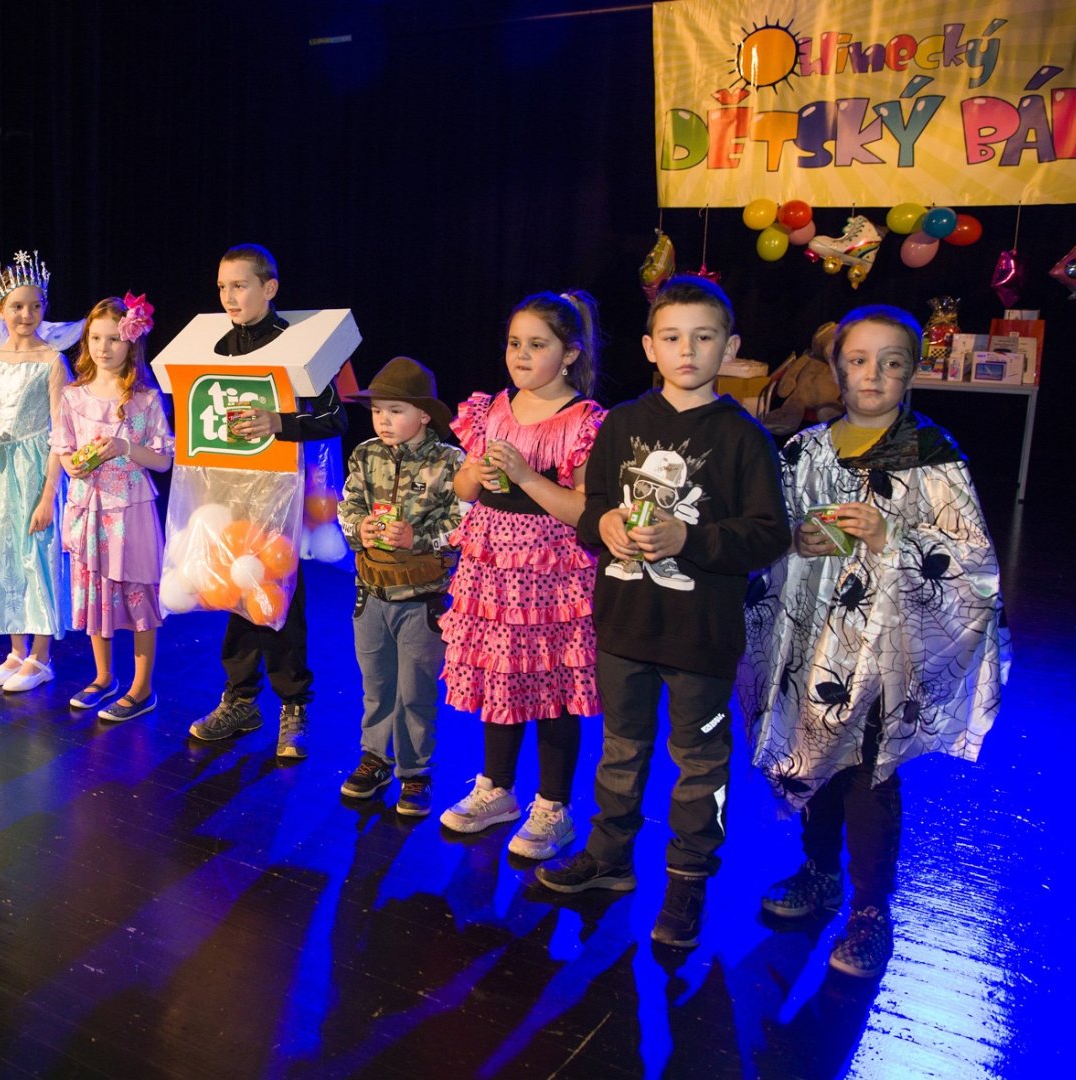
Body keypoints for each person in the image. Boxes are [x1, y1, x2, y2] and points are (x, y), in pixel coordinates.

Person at [737, 305, 1007, 977]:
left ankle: (870, 909)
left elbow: (970, 562)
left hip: (888, 648)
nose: (873, 375)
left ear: (912, 371)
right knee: (814, 753)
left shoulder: (932, 456)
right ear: (836, 368)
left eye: (891, 362)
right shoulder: (804, 451)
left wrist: (890, 537)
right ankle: (819, 870)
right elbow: (767, 534)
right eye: (858, 360)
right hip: (814, 642)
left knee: (868, 770)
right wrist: (793, 541)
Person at [537, 276, 791, 951]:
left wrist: (690, 539)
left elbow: (768, 534)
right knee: (620, 749)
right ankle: (609, 857)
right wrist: (605, 525)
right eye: (673, 337)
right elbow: (594, 508)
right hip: (623, 625)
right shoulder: (622, 422)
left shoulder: (745, 437)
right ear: (650, 347)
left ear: (729, 348)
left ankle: (688, 876)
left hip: (700, 635)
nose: (688, 350)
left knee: (700, 759)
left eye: (704, 338)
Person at [435, 292, 607, 860]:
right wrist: (478, 474)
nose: (521, 355)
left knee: (554, 687)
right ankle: (496, 788)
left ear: (570, 353)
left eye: (537, 344)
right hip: (492, 564)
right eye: (515, 343)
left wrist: (527, 475)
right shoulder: (491, 409)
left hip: (550, 571)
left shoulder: (583, 420)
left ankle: (553, 806)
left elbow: (583, 511)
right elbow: (463, 487)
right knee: (500, 676)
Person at [188, 244, 348, 758]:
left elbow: (336, 418)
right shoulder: (214, 346)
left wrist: (280, 422)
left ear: (269, 288)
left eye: (240, 285)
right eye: (222, 287)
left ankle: (293, 704)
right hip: (230, 493)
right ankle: (240, 699)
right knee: (235, 590)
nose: (229, 296)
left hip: (283, 498)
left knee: (278, 598)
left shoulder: (299, 348)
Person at [335, 356, 465, 816]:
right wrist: (360, 528)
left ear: (424, 414)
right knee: (376, 683)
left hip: (422, 599)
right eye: (377, 411)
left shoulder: (450, 462)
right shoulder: (365, 454)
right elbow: (348, 504)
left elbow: (463, 525)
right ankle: (375, 759)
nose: (383, 420)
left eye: (395, 410)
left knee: (416, 690)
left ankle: (415, 772)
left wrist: (418, 538)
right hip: (371, 592)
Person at [52, 293, 173, 722]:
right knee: (95, 589)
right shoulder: (73, 395)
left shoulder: (145, 398)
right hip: (89, 506)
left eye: (113, 339)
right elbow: (62, 446)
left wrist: (124, 447)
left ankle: (142, 688)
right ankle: (104, 677)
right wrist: (72, 463)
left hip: (130, 508)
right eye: (96, 338)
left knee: (138, 592)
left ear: (131, 342)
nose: (103, 348)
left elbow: (163, 459)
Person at [0, 252, 70, 692]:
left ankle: (41, 656)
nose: (26, 315)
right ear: (0, 309)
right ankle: (15, 649)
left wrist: (48, 494)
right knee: (4, 552)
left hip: (36, 467)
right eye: (17, 306)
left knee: (37, 553)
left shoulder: (52, 361)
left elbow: (61, 432)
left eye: (34, 306)